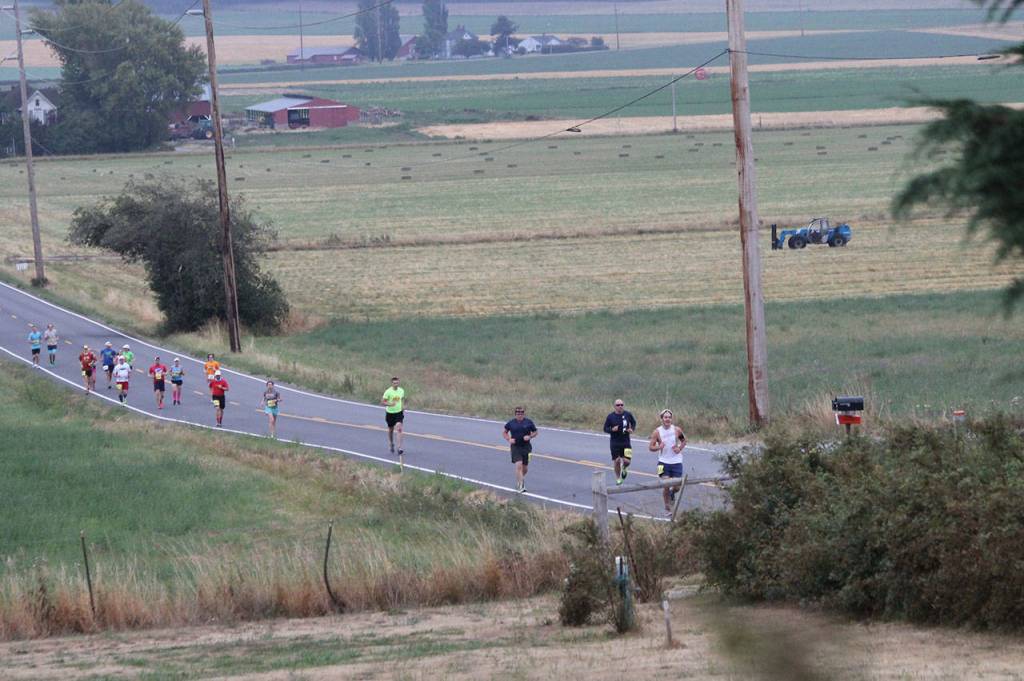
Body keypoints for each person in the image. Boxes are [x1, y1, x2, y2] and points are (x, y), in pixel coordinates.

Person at [648, 409, 686, 516]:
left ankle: (672, 493)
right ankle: (667, 508)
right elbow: (650, 447)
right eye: (665, 417)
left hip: (677, 461)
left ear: (671, 419)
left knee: (677, 486)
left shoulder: (677, 430)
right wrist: (658, 447)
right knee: (666, 484)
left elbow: (684, 441)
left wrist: (679, 448)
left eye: (669, 417)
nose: (667, 419)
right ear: (662, 419)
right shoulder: (657, 432)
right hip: (663, 462)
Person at [503, 406, 538, 494]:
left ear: (523, 413)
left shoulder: (528, 422)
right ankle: (521, 485)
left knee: (525, 468)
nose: (520, 414)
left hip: (526, 447)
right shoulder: (511, 423)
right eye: (518, 413)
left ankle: (519, 480)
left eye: (521, 413)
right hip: (515, 447)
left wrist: (530, 436)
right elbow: (504, 432)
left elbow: (535, 432)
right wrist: (509, 439)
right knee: (519, 465)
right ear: (515, 414)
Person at [603, 398, 637, 485]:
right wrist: (612, 429)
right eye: (618, 405)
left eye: (622, 405)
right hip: (615, 443)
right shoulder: (610, 417)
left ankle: (624, 468)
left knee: (627, 461)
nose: (620, 406)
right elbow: (605, 429)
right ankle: (618, 478)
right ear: (614, 407)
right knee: (617, 460)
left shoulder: (628, 414)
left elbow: (633, 423)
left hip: (626, 442)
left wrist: (631, 429)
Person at [380, 376, 406, 457]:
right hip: (390, 413)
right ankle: (391, 443)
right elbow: (382, 402)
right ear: (392, 383)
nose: (396, 384)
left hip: (399, 412)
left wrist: (403, 406)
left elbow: (403, 399)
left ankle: (399, 448)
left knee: (399, 428)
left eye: (397, 383)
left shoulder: (401, 390)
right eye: (394, 383)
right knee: (391, 430)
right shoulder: (388, 392)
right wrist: (390, 404)